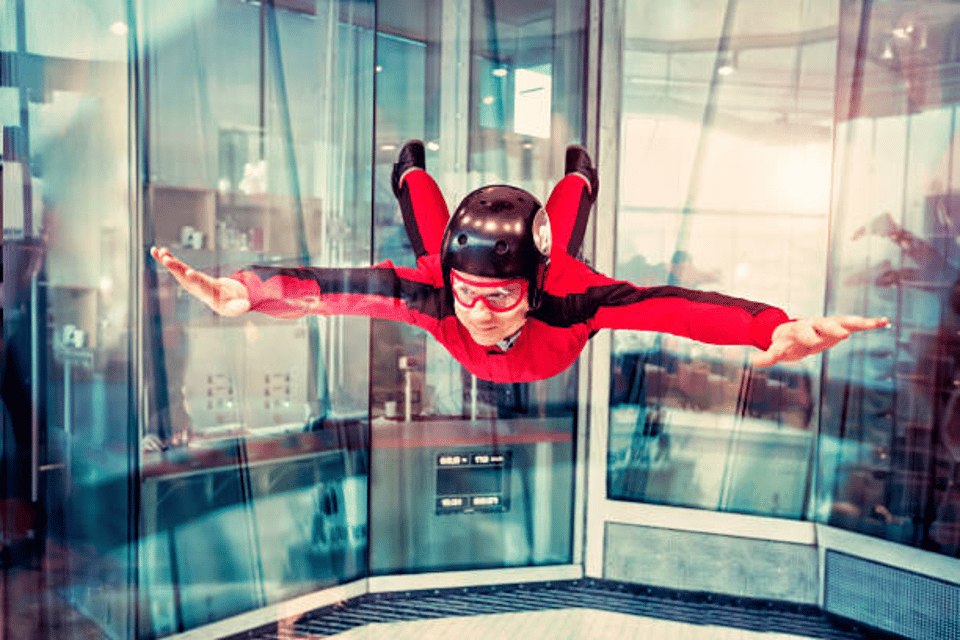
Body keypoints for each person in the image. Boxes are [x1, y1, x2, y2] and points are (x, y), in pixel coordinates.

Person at [151, 142, 888, 383]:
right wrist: (247, 291)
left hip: (550, 351)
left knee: (560, 237)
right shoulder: (443, 296)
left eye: (499, 296)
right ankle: (408, 170)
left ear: (532, 292)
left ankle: (581, 176)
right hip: (461, 293)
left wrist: (770, 330)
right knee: (425, 249)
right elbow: (339, 289)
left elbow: (671, 306)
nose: (477, 310)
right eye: (469, 293)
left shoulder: (570, 294)